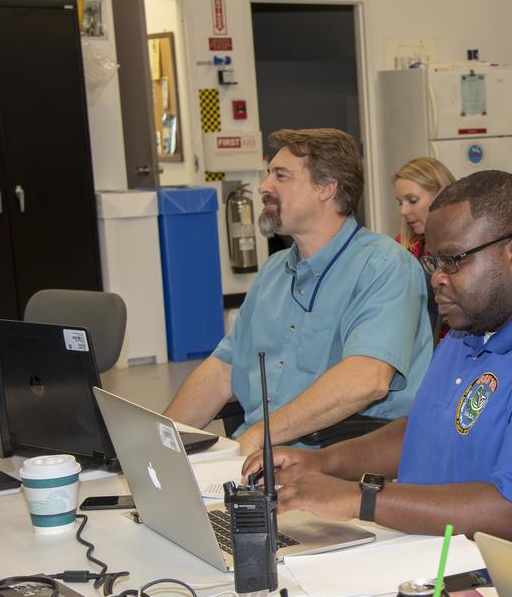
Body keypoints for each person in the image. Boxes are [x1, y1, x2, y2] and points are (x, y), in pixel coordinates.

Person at [243, 169, 512, 575]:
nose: (437, 278)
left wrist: (359, 498)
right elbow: (424, 430)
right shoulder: (474, 324)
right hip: (442, 553)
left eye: (453, 261)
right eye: (433, 261)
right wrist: (322, 463)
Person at [164, 128, 433, 455]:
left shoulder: (385, 266)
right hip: (260, 455)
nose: (264, 187)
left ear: (326, 188)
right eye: (267, 175)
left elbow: (367, 379)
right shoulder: (274, 271)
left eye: (281, 176)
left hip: (332, 464)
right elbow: (223, 370)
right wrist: (159, 443)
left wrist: (254, 439)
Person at [394, 157, 456, 339]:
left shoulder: (470, 245)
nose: (403, 211)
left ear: (442, 195)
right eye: (400, 202)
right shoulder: (402, 247)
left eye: (412, 200)